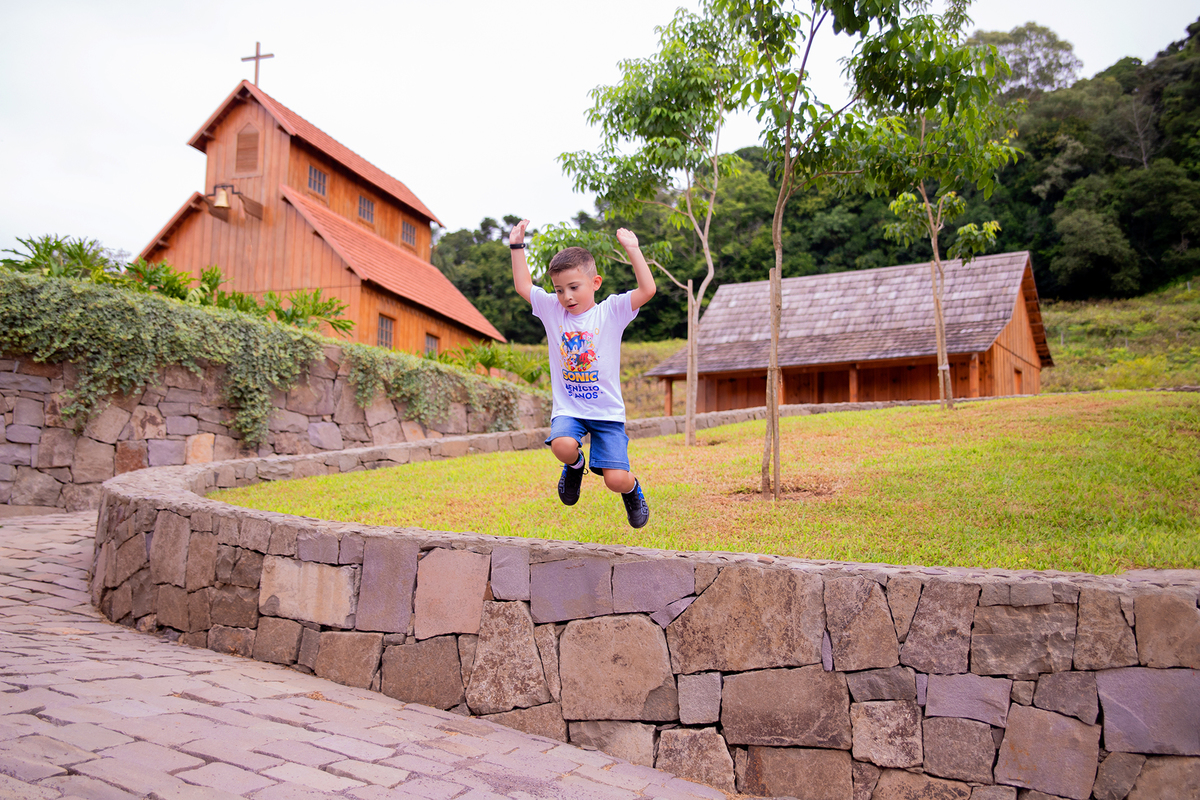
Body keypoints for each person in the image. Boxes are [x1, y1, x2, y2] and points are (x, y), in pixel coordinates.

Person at [508, 219, 655, 528]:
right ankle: (575, 467)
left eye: (574, 287)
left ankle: (632, 489)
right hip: (570, 408)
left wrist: (633, 249)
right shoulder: (552, 311)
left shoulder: (611, 311)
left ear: (595, 283)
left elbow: (647, 289)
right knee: (561, 445)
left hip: (607, 413)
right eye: (559, 290)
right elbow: (523, 286)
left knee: (615, 480)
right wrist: (517, 245)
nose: (566, 297)